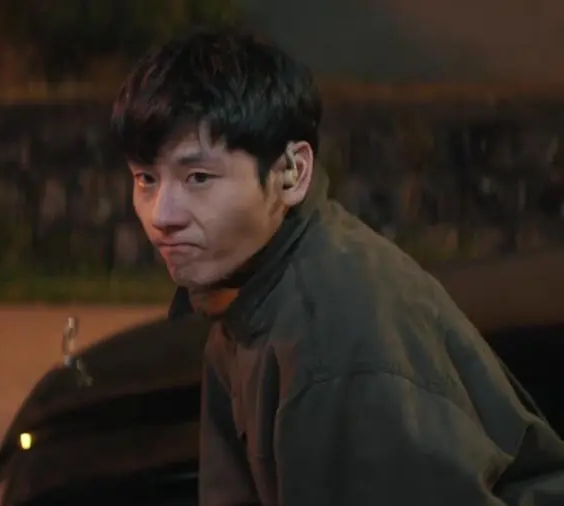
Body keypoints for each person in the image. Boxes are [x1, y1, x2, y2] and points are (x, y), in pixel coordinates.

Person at [111, 28, 564, 506]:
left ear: (292, 173)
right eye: (146, 179)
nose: (162, 215)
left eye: (198, 177)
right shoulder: (249, 288)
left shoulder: (332, 344)